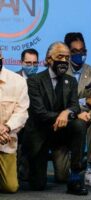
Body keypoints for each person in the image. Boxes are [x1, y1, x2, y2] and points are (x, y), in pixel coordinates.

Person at [23, 42, 88, 195]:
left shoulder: (70, 81)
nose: (64, 61)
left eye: (67, 57)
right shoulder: (33, 81)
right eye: (60, 57)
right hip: (40, 135)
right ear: (48, 59)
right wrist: (62, 114)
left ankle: (75, 178)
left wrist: (66, 113)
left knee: (79, 124)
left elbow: (75, 107)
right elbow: (39, 113)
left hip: (61, 134)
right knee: (38, 185)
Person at [64, 32, 91, 186]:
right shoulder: (61, 70)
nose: (80, 54)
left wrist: (81, 104)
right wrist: (84, 101)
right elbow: (61, 102)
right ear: (67, 52)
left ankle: (89, 167)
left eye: (83, 51)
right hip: (66, 115)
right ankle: (70, 162)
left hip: (86, 115)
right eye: (75, 51)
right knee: (61, 176)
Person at [0, 52, 29, 193]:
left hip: (6, 141)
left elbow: (22, 113)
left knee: (10, 187)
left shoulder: (18, 81)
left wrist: (6, 127)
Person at [16, 48, 39, 181]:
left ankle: (29, 170)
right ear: (21, 62)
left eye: (35, 63)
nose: (32, 66)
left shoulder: (41, 80)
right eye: (28, 63)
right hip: (16, 123)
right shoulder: (13, 79)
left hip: (35, 123)